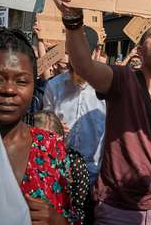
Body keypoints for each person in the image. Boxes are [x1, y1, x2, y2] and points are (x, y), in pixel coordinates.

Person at [52, 0, 151, 225]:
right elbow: (83, 65)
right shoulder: (122, 80)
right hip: (117, 211)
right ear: (139, 49)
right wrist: (72, 19)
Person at [0, 27, 78, 225]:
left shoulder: (51, 146)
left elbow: (74, 214)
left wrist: (61, 223)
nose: (9, 90)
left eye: (21, 81)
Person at [42, 26, 106, 185]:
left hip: (95, 176)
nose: (76, 61)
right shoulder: (54, 86)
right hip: (58, 170)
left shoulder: (107, 89)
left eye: (82, 55)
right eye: (72, 54)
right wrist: (53, 128)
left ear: (95, 53)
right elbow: (43, 128)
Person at [34, 111, 93, 225]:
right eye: (40, 144)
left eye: (51, 144)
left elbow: (83, 213)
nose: (46, 152)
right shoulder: (22, 161)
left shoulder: (73, 162)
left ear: (61, 142)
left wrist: (63, 223)